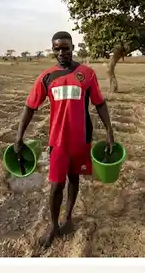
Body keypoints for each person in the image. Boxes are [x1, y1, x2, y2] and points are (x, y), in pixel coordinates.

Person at [15, 31, 116, 249]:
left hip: (81, 140)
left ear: (73, 47)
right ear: (53, 50)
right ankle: (53, 226)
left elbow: (99, 103)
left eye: (65, 48)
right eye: (57, 48)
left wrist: (109, 131)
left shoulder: (87, 74)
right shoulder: (46, 77)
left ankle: (68, 218)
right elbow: (30, 107)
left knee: (75, 180)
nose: (61, 52)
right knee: (56, 185)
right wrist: (19, 136)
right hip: (58, 142)